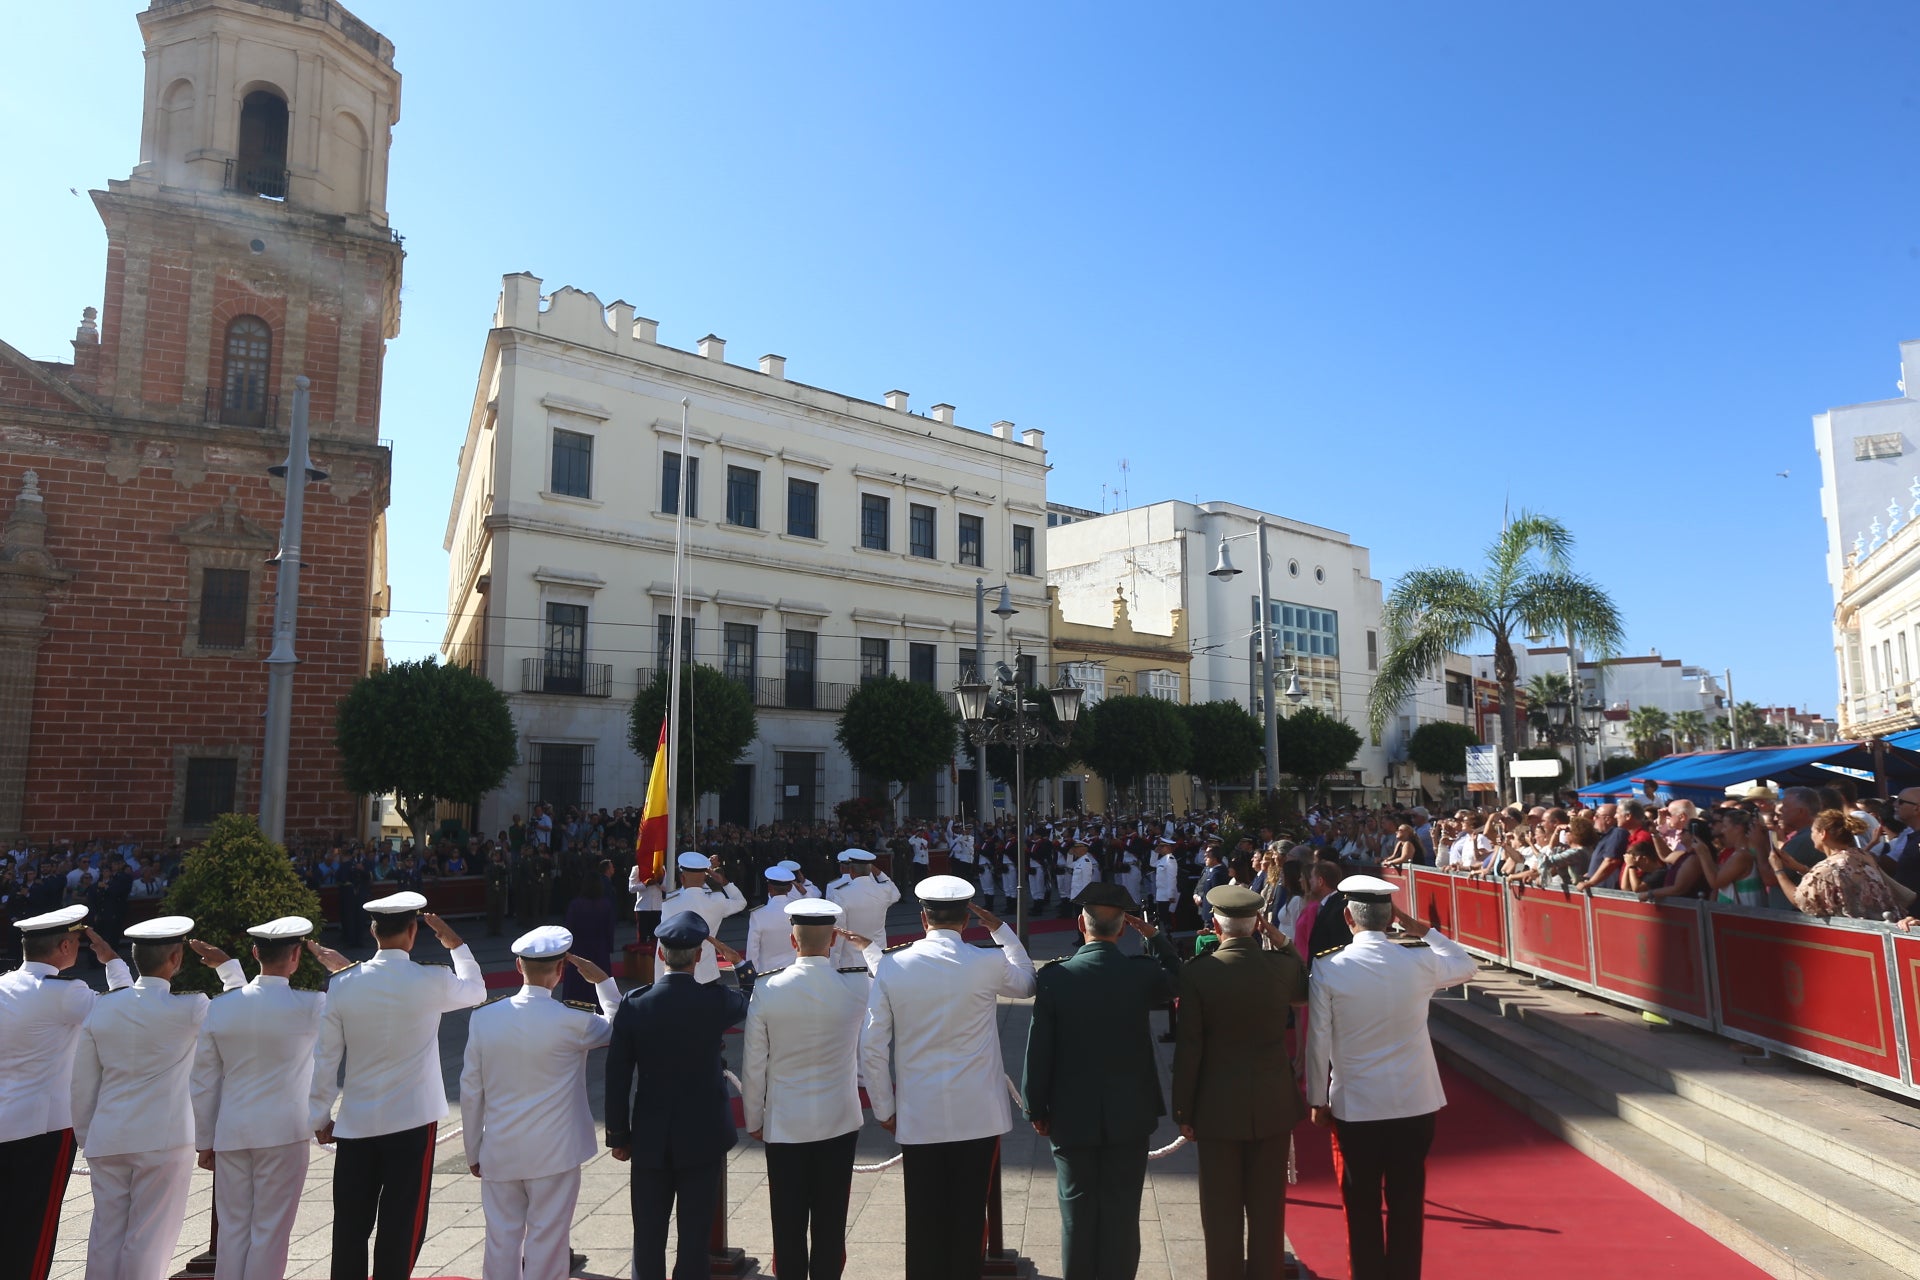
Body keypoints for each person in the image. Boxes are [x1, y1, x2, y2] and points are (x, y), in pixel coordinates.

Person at [860, 875, 1037, 1280]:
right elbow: (1027, 980)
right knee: (969, 1218)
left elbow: (872, 1046)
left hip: (919, 1114)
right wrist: (1002, 931)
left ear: (923, 919)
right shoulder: (987, 961)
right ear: (965, 921)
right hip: (978, 1114)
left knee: (923, 1218)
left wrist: (885, 1109)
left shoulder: (892, 965)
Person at [1306, 875, 1478, 1280]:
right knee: (1407, 1201)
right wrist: (1422, 928)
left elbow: (1317, 1041)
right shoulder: (1418, 959)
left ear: (1348, 916)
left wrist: (1316, 1099)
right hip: (1414, 1102)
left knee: (1361, 1203)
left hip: (1358, 1104)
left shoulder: (1329, 967)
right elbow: (1467, 965)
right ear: (1390, 919)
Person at [310, 891, 487, 1280]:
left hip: (357, 1120)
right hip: (412, 1119)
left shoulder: (343, 984)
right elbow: (477, 991)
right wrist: (456, 944)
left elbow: (326, 1059)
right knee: (401, 1223)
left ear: (373, 931)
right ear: (412, 932)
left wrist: (319, 1115)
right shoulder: (432, 978)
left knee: (350, 1227)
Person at [1021, 884, 1183, 1280]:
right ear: (1124, 929)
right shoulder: (1140, 974)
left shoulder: (1056, 977)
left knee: (1076, 1214)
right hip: (1130, 1113)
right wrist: (1156, 937)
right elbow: (1179, 979)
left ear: (1080, 924)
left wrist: (1035, 1106)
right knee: (1123, 1213)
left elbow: (1038, 1048)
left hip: (1071, 1114)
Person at [74, 916, 246, 1280]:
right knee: (148, 1237)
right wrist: (230, 969)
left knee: (105, 1235)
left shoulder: (102, 1008)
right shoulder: (191, 1008)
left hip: (108, 1136)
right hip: (163, 1139)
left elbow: (84, 1083)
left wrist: (87, 1137)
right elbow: (240, 1013)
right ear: (176, 958)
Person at [191, 917, 350, 1280]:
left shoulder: (220, 1007)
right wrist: (345, 970)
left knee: (233, 1232)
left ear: (255, 953)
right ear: (296, 954)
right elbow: (329, 1059)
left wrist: (205, 1139)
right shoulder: (312, 1004)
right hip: (284, 1132)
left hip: (232, 1131)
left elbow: (203, 1082)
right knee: (270, 1233)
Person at [460, 926, 620, 1280]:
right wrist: (604, 983)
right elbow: (620, 1026)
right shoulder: (575, 1020)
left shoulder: (484, 1018)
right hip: (556, 1151)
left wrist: (473, 1151)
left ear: (519, 966)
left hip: (501, 1149)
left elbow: (471, 1092)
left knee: (500, 1240)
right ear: (561, 971)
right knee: (548, 1241)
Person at [1169, 885, 1309, 1280]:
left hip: (1215, 1107)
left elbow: (1189, 1048)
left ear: (1215, 924)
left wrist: (1184, 1109)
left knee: (1220, 1212)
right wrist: (1282, 942)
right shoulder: (1280, 967)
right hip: (1272, 1104)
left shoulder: (1199, 972)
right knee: (1268, 1210)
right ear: (1257, 925)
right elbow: (1304, 986)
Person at [605, 911, 750, 1280]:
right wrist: (742, 965)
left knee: (648, 1235)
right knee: (695, 1238)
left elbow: (618, 1075)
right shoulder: (713, 1001)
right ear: (699, 956)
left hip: (651, 1137)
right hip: (703, 1137)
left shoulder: (635, 1003)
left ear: (660, 953)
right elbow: (752, 997)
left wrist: (618, 1136)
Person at [740, 898, 880, 1280]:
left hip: (785, 1124)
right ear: (833, 940)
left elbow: (754, 1065)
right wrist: (871, 948)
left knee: (786, 1224)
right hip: (838, 1121)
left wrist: (754, 1118)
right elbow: (888, 979)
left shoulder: (768, 988)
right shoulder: (855, 986)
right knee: (831, 1223)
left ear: (792, 939)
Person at [0, 906, 132, 1280]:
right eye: (76, 942)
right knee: (33, 1231)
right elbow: (125, 1015)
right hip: (43, 1130)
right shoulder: (66, 992)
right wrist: (114, 964)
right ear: (64, 946)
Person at [1775, 809, 1903, 919]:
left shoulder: (1826, 868)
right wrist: (1800, 868)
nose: (1811, 836)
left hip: (1855, 934)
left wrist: (1779, 871)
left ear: (1823, 834)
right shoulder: (1861, 855)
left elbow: (1800, 901)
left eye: (1813, 831)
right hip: (1880, 924)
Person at [658, 852, 748, 984]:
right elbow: (741, 902)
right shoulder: (717, 901)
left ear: (682, 878)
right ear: (706, 878)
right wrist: (724, 882)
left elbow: (662, 944)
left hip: (678, 975)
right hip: (708, 974)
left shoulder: (670, 904)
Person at [561, 867, 617, 1006]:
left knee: (577, 986)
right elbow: (610, 929)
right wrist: (609, 947)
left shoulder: (575, 905)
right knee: (600, 983)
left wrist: (566, 952)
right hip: (600, 949)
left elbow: (569, 929)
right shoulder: (606, 904)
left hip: (579, 949)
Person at [745, 867, 801, 981]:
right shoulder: (799, 911)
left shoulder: (758, 915)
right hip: (794, 974)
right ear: (790, 888)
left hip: (767, 976)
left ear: (769, 887)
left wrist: (752, 978)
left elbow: (752, 951)